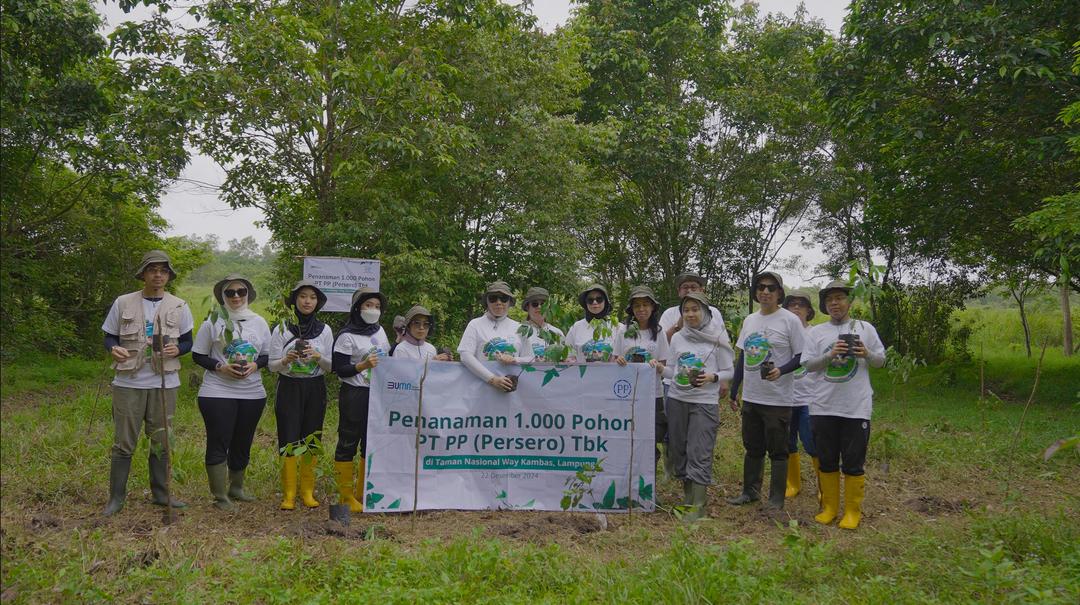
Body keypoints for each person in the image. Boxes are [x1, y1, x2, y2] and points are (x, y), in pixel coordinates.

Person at [100, 250, 194, 516]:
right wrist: (113, 349)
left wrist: (179, 350)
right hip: (128, 382)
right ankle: (116, 499)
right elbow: (109, 336)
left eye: (163, 271)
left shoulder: (179, 305)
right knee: (124, 442)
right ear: (143, 274)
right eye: (152, 269)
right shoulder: (123, 302)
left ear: (168, 276)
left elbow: (187, 341)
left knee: (162, 440)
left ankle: (161, 494)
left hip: (165, 383)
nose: (157, 275)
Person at [803, 279, 886, 529]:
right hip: (822, 405)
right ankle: (829, 508)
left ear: (849, 301)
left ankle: (852, 511)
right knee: (826, 459)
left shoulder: (865, 328)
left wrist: (866, 354)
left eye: (839, 298)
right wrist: (829, 355)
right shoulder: (816, 333)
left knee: (853, 461)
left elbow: (881, 361)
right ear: (824, 306)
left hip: (855, 407)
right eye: (829, 300)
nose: (835, 303)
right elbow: (807, 364)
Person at [726, 271, 805, 512]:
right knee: (753, 447)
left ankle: (776, 499)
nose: (765, 292)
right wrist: (734, 388)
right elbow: (742, 356)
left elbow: (802, 356)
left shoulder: (789, 320)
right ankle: (750, 492)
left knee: (778, 450)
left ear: (780, 293)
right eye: (761, 287)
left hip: (778, 398)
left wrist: (781, 370)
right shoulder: (750, 320)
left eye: (771, 288)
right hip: (752, 395)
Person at [191, 274, 271, 510]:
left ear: (248, 295)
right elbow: (198, 354)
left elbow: (266, 355)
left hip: (252, 392)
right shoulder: (213, 321)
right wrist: (220, 367)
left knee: (243, 440)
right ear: (222, 296)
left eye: (241, 292)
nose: (236, 296)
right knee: (219, 439)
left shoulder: (259, 322)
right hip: (217, 391)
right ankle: (219, 496)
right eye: (230, 292)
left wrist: (256, 365)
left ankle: (236, 488)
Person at [661, 292, 734, 521]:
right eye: (686, 310)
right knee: (679, 449)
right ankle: (688, 500)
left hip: (704, 402)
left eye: (695, 309)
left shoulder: (717, 337)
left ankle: (699, 507)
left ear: (705, 312)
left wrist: (713, 377)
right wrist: (660, 369)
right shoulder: (678, 338)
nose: (690, 314)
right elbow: (673, 370)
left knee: (699, 450)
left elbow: (729, 371)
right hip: (676, 400)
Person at [268, 281, 332, 510]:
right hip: (289, 387)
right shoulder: (282, 328)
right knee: (288, 435)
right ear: (294, 300)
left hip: (315, 388)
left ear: (318, 302)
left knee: (312, 436)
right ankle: (289, 492)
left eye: (312, 297)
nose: (307, 301)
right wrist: (286, 360)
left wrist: (317, 357)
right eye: (303, 296)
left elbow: (330, 366)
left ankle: (307, 490)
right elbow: (272, 366)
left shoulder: (325, 330)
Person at [331, 288, 391, 512]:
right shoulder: (347, 335)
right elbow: (339, 369)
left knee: (371, 441)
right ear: (358, 308)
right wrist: (363, 365)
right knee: (348, 440)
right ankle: (345, 495)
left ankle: (363, 491)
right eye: (368, 306)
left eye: (376, 306)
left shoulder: (380, 331)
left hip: (377, 394)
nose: (373, 310)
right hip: (354, 393)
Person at [613, 286, 670, 465]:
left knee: (651, 438)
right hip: (628, 393)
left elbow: (664, 362)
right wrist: (620, 360)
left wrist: (656, 365)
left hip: (653, 394)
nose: (642, 309)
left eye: (646, 304)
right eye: (637, 305)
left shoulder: (659, 332)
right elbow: (615, 358)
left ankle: (648, 486)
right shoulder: (623, 331)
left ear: (653, 308)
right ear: (632, 310)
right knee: (629, 437)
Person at [782, 290, 820, 500]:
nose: (796, 308)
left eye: (801, 305)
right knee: (788, 443)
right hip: (786, 397)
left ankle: (824, 487)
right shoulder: (783, 332)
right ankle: (792, 484)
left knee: (812, 442)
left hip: (809, 398)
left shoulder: (815, 333)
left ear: (809, 310)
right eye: (792, 305)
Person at [457, 281, 521, 392]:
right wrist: (492, 379)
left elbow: (529, 358)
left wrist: (515, 359)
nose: (498, 302)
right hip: (482, 390)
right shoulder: (475, 324)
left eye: (503, 298)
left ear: (510, 302)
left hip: (513, 392)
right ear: (486, 301)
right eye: (493, 298)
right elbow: (465, 355)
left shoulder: (519, 327)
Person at [658, 273, 723, 344]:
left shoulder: (713, 311)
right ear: (679, 291)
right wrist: (677, 327)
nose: (689, 290)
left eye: (693, 287)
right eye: (685, 287)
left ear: (701, 290)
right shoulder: (669, 313)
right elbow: (661, 343)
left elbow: (722, 340)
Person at [565, 284, 618, 363]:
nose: (595, 302)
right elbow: (568, 355)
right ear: (586, 303)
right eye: (590, 300)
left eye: (599, 299)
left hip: (611, 375)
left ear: (605, 302)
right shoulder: (576, 327)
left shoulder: (617, 327)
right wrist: (569, 360)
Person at [516, 287, 566, 362]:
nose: (539, 307)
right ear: (527, 307)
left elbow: (564, 360)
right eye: (534, 304)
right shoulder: (518, 330)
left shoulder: (557, 332)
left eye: (543, 304)